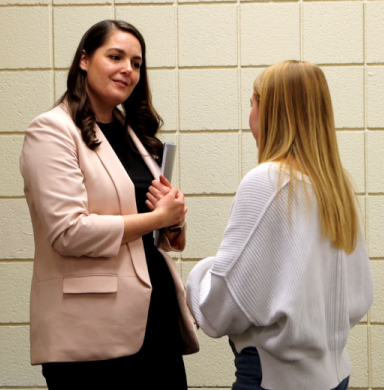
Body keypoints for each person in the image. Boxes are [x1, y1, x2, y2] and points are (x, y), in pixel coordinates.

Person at [20, 19, 198, 390]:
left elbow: (151, 229)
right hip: (93, 335)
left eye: (136, 63)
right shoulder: (51, 130)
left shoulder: (135, 133)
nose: (128, 70)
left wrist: (172, 221)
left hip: (155, 321)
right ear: (84, 60)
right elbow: (68, 233)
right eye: (115, 57)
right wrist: (155, 219)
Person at [186, 60, 374, 390]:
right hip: (335, 374)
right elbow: (359, 295)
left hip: (272, 377)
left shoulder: (267, 180)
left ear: (271, 111)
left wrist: (197, 275)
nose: (250, 114)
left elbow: (220, 307)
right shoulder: (336, 185)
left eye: (252, 103)